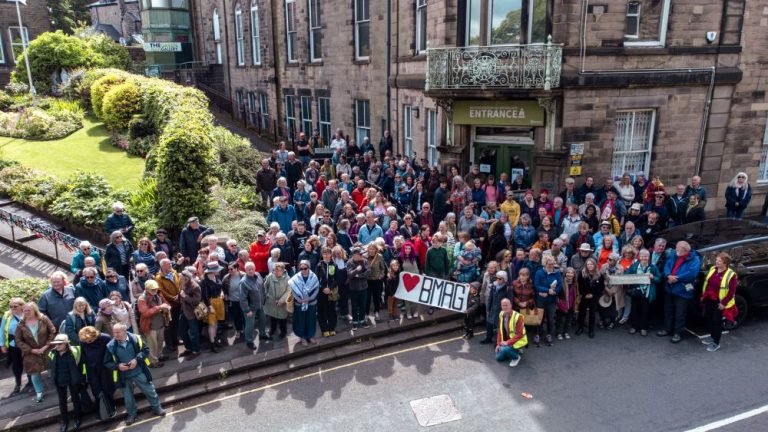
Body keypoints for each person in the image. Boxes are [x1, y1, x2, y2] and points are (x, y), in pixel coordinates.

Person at [103, 323, 165, 425]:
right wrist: (118, 366)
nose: (115, 334)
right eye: (114, 332)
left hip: (139, 372)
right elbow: (106, 362)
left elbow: (145, 350)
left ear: (124, 331)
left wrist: (136, 360)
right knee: (128, 398)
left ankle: (157, 408)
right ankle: (132, 414)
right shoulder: (110, 346)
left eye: (118, 332)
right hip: (124, 377)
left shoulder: (136, 339)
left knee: (150, 391)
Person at [658, 241, 701, 343]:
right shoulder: (674, 255)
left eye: (678, 248)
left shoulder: (694, 259)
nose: (675, 249)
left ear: (685, 250)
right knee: (668, 311)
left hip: (682, 291)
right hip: (670, 288)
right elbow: (667, 266)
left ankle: (678, 333)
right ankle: (667, 329)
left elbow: (692, 274)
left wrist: (676, 278)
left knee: (680, 314)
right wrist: (668, 275)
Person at [15, 302, 56, 402]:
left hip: (47, 349)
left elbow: (53, 331)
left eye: (29, 310)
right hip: (31, 353)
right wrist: (31, 350)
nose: (27, 312)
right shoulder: (21, 324)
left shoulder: (44, 319)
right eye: (25, 311)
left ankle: (59, 387)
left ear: (35, 310)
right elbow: (18, 340)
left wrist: (46, 345)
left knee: (53, 369)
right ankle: (39, 392)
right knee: (34, 373)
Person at [700, 253, 738, 352]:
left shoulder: (731, 275)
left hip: (719, 302)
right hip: (709, 299)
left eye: (719, 261)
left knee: (716, 321)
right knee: (709, 318)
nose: (716, 262)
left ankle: (716, 342)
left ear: (725, 263)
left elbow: (731, 291)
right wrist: (703, 295)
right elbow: (707, 283)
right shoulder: (713, 269)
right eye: (716, 260)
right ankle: (712, 336)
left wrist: (723, 303)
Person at [48, 334, 86, 432]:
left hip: (72, 380)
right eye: (56, 344)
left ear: (66, 344)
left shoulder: (74, 352)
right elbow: (51, 368)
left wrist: (81, 378)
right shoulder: (52, 353)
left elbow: (81, 365)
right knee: (62, 402)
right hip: (59, 380)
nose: (57, 346)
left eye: (60, 344)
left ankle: (77, 417)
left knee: (75, 399)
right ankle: (64, 421)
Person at [78, 326, 116, 420]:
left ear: (95, 336)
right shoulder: (83, 341)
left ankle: (111, 407)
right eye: (86, 341)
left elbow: (111, 353)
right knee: (96, 389)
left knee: (107, 387)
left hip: (104, 367)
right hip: (91, 369)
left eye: (90, 341)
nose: (88, 342)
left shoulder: (105, 338)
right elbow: (83, 355)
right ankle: (101, 409)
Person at [626, 249, 661, 336]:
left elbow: (659, 279)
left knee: (645, 311)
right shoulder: (634, 266)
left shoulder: (653, 267)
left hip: (647, 293)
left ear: (649, 257)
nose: (644, 258)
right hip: (636, 292)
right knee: (634, 310)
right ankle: (634, 327)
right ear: (639, 257)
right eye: (642, 256)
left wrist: (653, 277)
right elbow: (627, 274)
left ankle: (643, 328)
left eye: (646, 256)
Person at [137, 280, 170, 367]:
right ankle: (153, 362)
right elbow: (145, 313)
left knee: (160, 342)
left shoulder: (158, 294)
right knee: (152, 345)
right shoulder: (142, 299)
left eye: (156, 288)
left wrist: (167, 306)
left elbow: (165, 302)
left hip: (160, 323)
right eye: (152, 289)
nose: (155, 290)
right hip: (150, 326)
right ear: (146, 289)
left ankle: (159, 356)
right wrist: (159, 307)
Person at [0, 298, 29, 396]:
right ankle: (18, 383)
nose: (13, 308)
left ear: (22, 306)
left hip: (27, 342)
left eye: (15, 306)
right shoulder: (7, 315)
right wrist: (2, 344)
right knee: (16, 364)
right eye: (11, 306)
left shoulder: (27, 313)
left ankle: (31, 381)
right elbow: (2, 330)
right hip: (14, 343)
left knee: (28, 361)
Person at [533, 255, 563, 347]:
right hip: (541, 299)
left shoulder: (557, 273)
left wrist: (552, 292)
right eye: (549, 263)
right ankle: (538, 334)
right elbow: (536, 285)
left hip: (552, 300)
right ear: (545, 263)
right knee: (539, 318)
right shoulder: (539, 273)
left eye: (552, 264)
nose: (550, 265)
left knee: (550, 318)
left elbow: (560, 286)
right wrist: (547, 290)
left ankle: (549, 334)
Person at [289, 260, 320, 345]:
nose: (303, 270)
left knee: (311, 319)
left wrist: (310, 298)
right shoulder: (295, 278)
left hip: (311, 302)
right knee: (300, 320)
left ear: (309, 268)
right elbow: (293, 290)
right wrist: (299, 300)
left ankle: (310, 336)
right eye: (301, 268)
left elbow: (317, 289)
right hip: (300, 303)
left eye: (305, 268)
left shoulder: (314, 277)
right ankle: (302, 337)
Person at [155, 259, 182, 355]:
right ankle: (169, 344)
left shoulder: (174, 272)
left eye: (170, 263)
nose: (170, 265)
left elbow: (180, 283)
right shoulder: (158, 278)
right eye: (168, 264)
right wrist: (172, 297)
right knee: (168, 325)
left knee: (176, 322)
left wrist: (178, 295)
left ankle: (175, 339)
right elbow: (161, 291)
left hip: (178, 301)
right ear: (162, 266)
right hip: (168, 304)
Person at [240, 262, 268, 350]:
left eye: (252, 269)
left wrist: (264, 301)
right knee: (250, 325)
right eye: (249, 269)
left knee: (263, 320)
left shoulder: (258, 275)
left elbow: (262, 288)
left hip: (261, 304)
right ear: (245, 270)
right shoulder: (243, 282)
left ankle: (262, 334)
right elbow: (242, 298)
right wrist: (247, 310)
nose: (251, 271)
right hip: (250, 308)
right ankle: (249, 341)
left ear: (255, 268)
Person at [201, 261, 226, 352]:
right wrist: (209, 306)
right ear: (211, 271)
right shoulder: (204, 281)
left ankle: (215, 340)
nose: (218, 271)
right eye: (216, 270)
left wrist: (222, 293)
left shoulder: (217, 277)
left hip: (219, 301)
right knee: (212, 324)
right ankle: (212, 343)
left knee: (216, 323)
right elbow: (204, 296)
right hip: (211, 303)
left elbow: (220, 287)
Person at [495, 298, 527, 368]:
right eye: (503, 305)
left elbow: (520, 334)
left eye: (507, 305)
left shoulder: (518, 317)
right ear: (501, 306)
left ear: (511, 305)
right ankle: (515, 351)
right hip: (508, 341)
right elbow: (500, 330)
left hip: (518, 341)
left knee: (504, 349)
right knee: (498, 357)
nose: (505, 307)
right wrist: (498, 344)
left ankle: (516, 357)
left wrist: (507, 343)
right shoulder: (501, 314)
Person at [576, 258, 603, 338]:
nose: (589, 266)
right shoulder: (582, 273)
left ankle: (591, 329)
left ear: (594, 265)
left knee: (592, 314)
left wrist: (593, 294)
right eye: (588, 264)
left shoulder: (599, 275)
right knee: (582, 312)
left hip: (594, 297)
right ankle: (580, 327)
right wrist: (584, 294)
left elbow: (601, 287)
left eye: (591, 264)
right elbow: (579, 286)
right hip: (584, 296)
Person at [178, 270, 202, 359]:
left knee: (194, 333)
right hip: (184, 311)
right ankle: (189, 348)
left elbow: (196, 302)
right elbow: (182, 294)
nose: (180, 279)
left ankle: (196, 350)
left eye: (181, 278)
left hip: (192, 313)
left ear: (186, 278)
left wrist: (185, 296)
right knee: (181, 331)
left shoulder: (195, 286)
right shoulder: (183, 283)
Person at [480, 271, 509, 344]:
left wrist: (507, 311)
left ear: (504, 279)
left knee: (500, 327)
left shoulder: (507, 288)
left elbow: (509, 301)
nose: (497, 280)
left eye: (500, 279)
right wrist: (488, 309)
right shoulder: (494, 286)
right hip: (493, 309)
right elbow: (490, 298)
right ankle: (488, 338)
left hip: (501, 311)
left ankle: (499, 341)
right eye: (497, 278)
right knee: (489, 324)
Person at [316, 247, 339, 337]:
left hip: (331, 291)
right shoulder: (319, 265)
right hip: (322, 292)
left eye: (328, 253)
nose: (326, 255)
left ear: (330, 254)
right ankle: (324, 329)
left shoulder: (334, 265)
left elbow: (337, 279)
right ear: (322, 255)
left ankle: (332, 328)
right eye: (324, 253)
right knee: (322, 311)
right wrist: (323, 288)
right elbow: (316, 279)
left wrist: (330, 288)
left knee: (332, 310)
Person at [222, 264, 245, 340]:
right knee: (236, 317)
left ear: (237, 268)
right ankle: (238, 330)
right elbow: (223, 288)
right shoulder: (226, 278)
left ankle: (245, 330)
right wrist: (224, 294)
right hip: (233, 301)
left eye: (231, 269)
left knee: (244, 316)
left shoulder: (243, 275)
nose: (229, 271)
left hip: (243, 300)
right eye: (228, 269)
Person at [556, 267, 579, 340]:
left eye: (571, 273)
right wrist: (558, 302)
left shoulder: (575, 284)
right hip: (562, 304)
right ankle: (559, 333)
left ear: (574, 275)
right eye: (568, 272)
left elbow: (577, 294)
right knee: (560, 320)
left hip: (571, 304)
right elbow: (558, 293)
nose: (570, 274)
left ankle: (566, 332)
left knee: (568, 320)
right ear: (565, 273)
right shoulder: (561, 282)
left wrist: (577, 302)